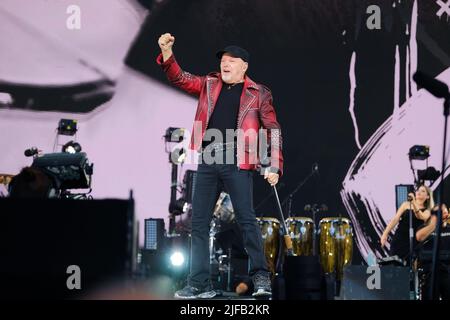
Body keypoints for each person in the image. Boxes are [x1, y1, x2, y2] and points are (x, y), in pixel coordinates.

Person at [157, 33, 283, 299]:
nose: (225, 64)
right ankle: (199, 283)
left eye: (231, 60)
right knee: (199, 223)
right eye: (223, 60)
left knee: (247, 221)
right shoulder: (209, 84)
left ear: (244, 66)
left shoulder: (258, 93)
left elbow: (272, 129)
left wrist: (274, 164)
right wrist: (167, 53)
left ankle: (261, 278)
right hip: (209, 158)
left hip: (238, 159)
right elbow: (181, 78)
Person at [380, 185, 433, 261]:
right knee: (394, 262)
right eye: (418, 190)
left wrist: (414, 202)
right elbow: (395, 219)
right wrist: (385, 233)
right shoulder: (406, 204)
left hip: (413, 241)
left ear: (427, 196)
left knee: (409, 263)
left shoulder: (427, 211)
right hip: (399, 237)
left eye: (423, 191)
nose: (419, 192)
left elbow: (421, 216)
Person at [415, 203, 450, 300]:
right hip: (429, 272)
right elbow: (419, 237)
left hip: (447, 272)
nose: (443, 213)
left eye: (444, 210)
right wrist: (434, 224)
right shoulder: (425, 228)